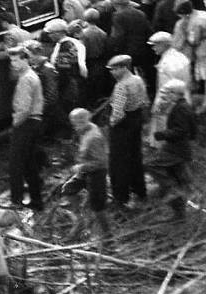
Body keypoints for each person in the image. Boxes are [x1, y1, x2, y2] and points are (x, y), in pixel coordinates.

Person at [145, 79, 196, 220]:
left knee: (150, 164)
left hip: (175, 150)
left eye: (167, 93)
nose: (165, 96)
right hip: (180, 149)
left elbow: (181, 130)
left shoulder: (181, 109)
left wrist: (162, 135)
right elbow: (193, 131)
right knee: (176, 178)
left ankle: (172, 191)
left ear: (175, 94)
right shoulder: (184, 106)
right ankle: (179, 214)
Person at [107, 54, 148, 210]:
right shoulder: (138, 80)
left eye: (114, 69)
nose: (112, 72)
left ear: (124, 68)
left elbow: (118, 113)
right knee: (135, 157)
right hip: (136, 120)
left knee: (118, 163)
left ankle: (120, 197)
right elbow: (144, 101)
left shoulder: (121, 86)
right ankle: (140, 191)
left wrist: (111, 123)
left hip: (122, 125)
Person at [6, 48, 45, 210]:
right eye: (11, 61)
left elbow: (24, 109)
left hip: (26, 123)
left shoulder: (25, 80)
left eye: (16, 60)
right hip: (34, 122)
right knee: (30, 164)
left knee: (15, 164)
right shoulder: (32, 75)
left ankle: (16, 200)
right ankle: (36, 201)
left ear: (25, 59)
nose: (13, 64)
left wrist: (15, 124)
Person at [67, 108, 111, 242]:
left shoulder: (94, 137)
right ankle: (80, 221)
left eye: (76, 124)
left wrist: (81, 167)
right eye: (73, 124)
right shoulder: (86, 130)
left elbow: (101, 162)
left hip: (96, 173)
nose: (75, 127)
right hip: (85, 172)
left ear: (84, 121)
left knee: (98, 206)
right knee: (68, 190)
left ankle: (108, 236)